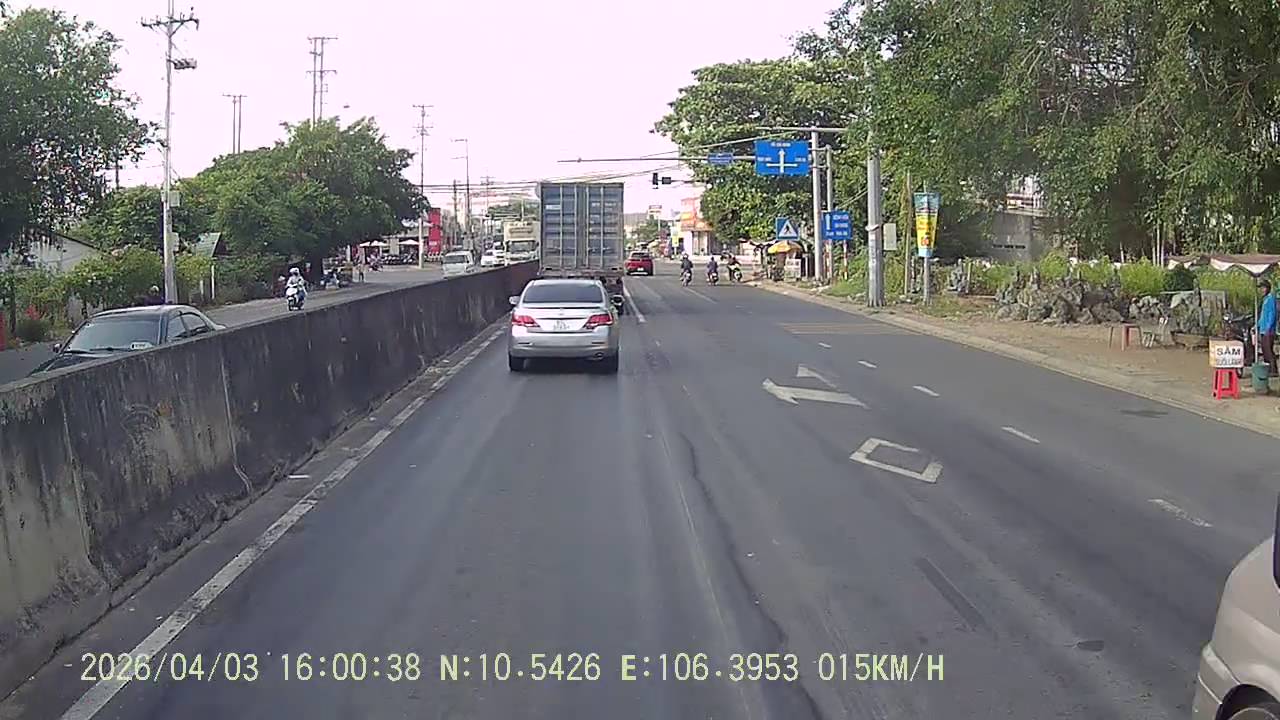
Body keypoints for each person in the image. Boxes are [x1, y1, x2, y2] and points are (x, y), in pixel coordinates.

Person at [1259, 279, 1277, 375]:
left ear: (1267, 288)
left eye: (1263, 288)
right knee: (1265, 350)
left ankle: (1273, 370)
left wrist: (1268, 327)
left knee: (1269, 350)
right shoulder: (1265, 299)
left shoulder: (1270, 299)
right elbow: (1263, 315)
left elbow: (1272, 314)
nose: (1262, 290)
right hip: (1263, 328)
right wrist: (1257, 325)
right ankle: (1268, 369)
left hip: (1268, 330)